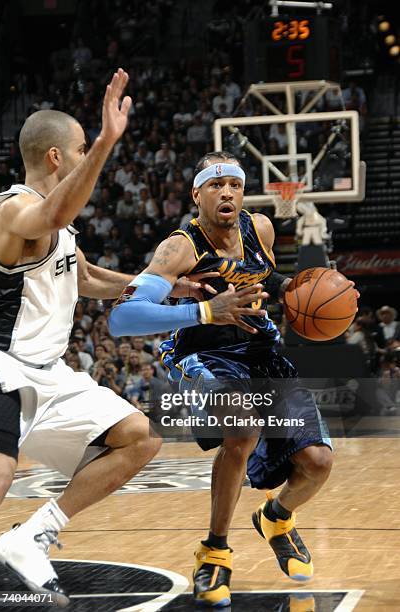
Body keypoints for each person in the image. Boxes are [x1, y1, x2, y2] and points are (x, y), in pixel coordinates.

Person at [0, 69, 213, 606]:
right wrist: (108, 141)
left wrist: (162, 285)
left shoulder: (61, 230)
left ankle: (31, 536)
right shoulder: (11, 208)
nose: (86, 155)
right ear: (57, 158)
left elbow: (86, 278)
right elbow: (55, 210)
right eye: (81, 150)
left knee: (139, 436)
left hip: (51, 377)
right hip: (1, 367)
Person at [108, 151, 334, 608]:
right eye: (215, 185)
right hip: (201, 350)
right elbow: (123, 316)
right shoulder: (180, 247)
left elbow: (267, 277)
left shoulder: (262, 229)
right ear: (197, 195)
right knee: (244, 426)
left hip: (258, 349)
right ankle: (214, 551)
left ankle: (276, 517)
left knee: (317, 462)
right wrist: (207, 309)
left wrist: (299, 290)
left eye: (233, 183)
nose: (226, 191)